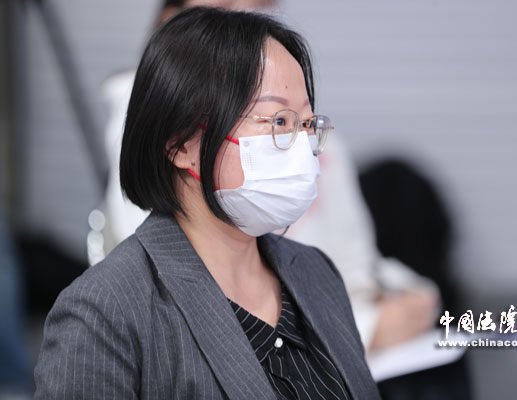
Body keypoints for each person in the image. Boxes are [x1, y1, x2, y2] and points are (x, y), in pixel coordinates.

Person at [34, 7, 381, 399]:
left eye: (306, 124)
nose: (302, 146)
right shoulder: (104, 313)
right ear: (182, 144)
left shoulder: (315, 273)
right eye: (279, 122)